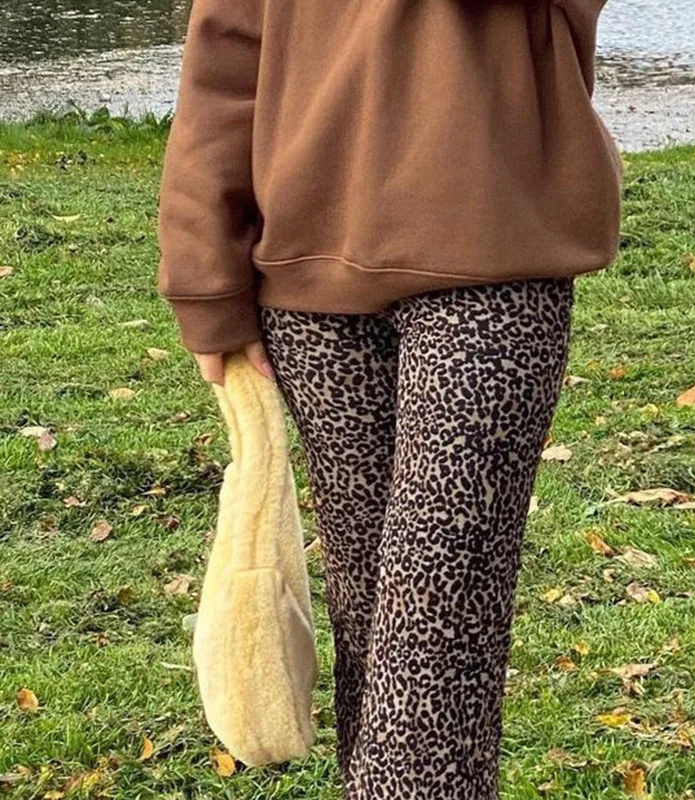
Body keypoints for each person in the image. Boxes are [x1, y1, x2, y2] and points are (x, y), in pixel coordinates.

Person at [156, 0, 622, 796]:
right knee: (372, 623)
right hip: (308, 279)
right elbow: (226, 58)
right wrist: (205, 276)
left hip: (492, 263)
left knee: (435, 628)